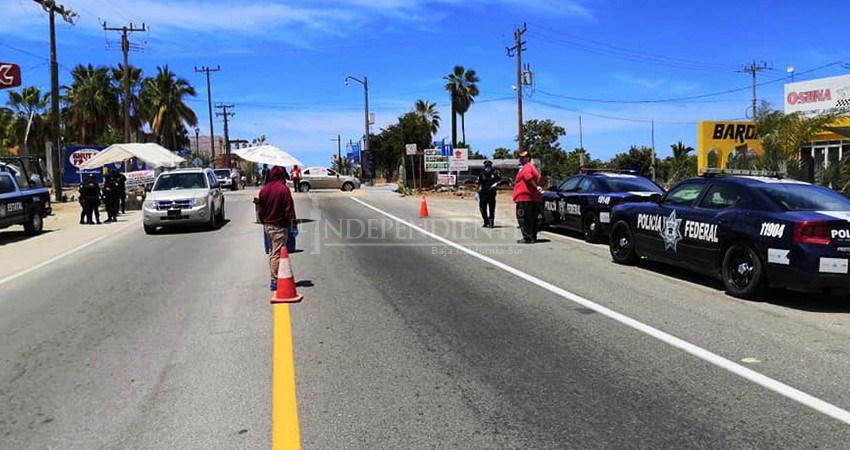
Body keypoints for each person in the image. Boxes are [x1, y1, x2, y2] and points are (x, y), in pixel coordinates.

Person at [257, 166, 298, 292]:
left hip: (268, 226)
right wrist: (293, 225)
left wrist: (264, 222)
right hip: (279, 226)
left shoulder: (264, 190)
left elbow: (260, 210)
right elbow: (289, 210)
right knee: (276, 254)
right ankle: (275, 280)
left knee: (272, 252)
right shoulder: (283, 190)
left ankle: (276, 277)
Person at [513, 150, 543, 244]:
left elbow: (528, 178)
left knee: (523, 218)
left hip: (524, 198)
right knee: (531, 218)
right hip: (531, 198)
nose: (521, 159)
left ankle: (527, 237)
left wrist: (536, 187)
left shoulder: (527, 167)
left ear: (528, 158)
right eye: (520, 157)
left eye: (523, 157)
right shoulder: (532, 167)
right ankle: (532, 236)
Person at [477, 160, 501, 228]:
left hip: (491, 193)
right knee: (482, 208)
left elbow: (500, 180)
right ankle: (486, 221)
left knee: (491, 208)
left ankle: (491, 222)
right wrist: (476, 192)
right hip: (483, 193)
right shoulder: (481, 173)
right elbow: (478, 183)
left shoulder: (494, 173)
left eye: (489, 166)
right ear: (484, 166)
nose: (488, 167)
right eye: (486, 166)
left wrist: (495, 184)